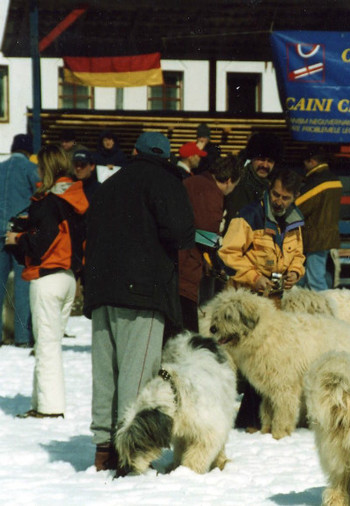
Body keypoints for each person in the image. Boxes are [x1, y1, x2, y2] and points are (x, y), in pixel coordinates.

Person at [83, 131, 194, 471]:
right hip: (143, 293)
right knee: (136, 375)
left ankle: (103, 447)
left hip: (102, 291)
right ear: (166, 156)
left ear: (134, 152)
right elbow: (181, 232)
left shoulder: (109, 184)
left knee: (106, 373)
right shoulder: (165, 181)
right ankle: (127, 453)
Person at [218, 166, 305, 431]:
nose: (279, 201)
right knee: (244, 365)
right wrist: (254, 277)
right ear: (269, 190)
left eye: (285, 198)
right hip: (244, 303)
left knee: (266, 362)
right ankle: (246, 420)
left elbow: (299, 256)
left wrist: (294, 273)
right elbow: (228, 253)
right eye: (276, 195)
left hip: (274, 305)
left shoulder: (295, 222)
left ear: (294, 198)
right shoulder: (248, 216)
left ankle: (254, 420)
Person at [6, 145, 88, 418]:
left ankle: (50, 408)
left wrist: (17, 238)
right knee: (49, 343)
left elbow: (42, 240)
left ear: (47, 168)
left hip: (47, 276)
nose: (37, 171)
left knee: (46, 345)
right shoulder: (76, 196)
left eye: (40, 167)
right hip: (67, 277)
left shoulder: (46, 202)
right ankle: (41, 403)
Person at [178, 154, 241, 332]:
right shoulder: (212, 193)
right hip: (188, 266)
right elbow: (207, 235)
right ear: (229, 180)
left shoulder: (192, 181)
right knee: (188, 329)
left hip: (176, 262)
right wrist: (219, 261)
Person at [0, 134, 39, 348]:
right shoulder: (31, 169)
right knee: (23, 286)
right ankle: (23, 337)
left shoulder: (0, 167)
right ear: (28, 151)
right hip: (20, 233)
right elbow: (39, 196)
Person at [295, 146, 343, 291]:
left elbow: (298, 207)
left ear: (312, 161)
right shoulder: (334, 180)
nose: (304, 166)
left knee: (315, 281)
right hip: (327, 236)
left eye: (305, 162)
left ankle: (324, 310)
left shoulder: (317, 182)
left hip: (315, 238)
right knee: (315, 276)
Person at [223, 131, 284, 229]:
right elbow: (236, 222)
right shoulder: (241, 183)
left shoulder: (271, 183)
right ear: (252, 158)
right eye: (261, 159)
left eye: (270, 161)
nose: (265, 165)